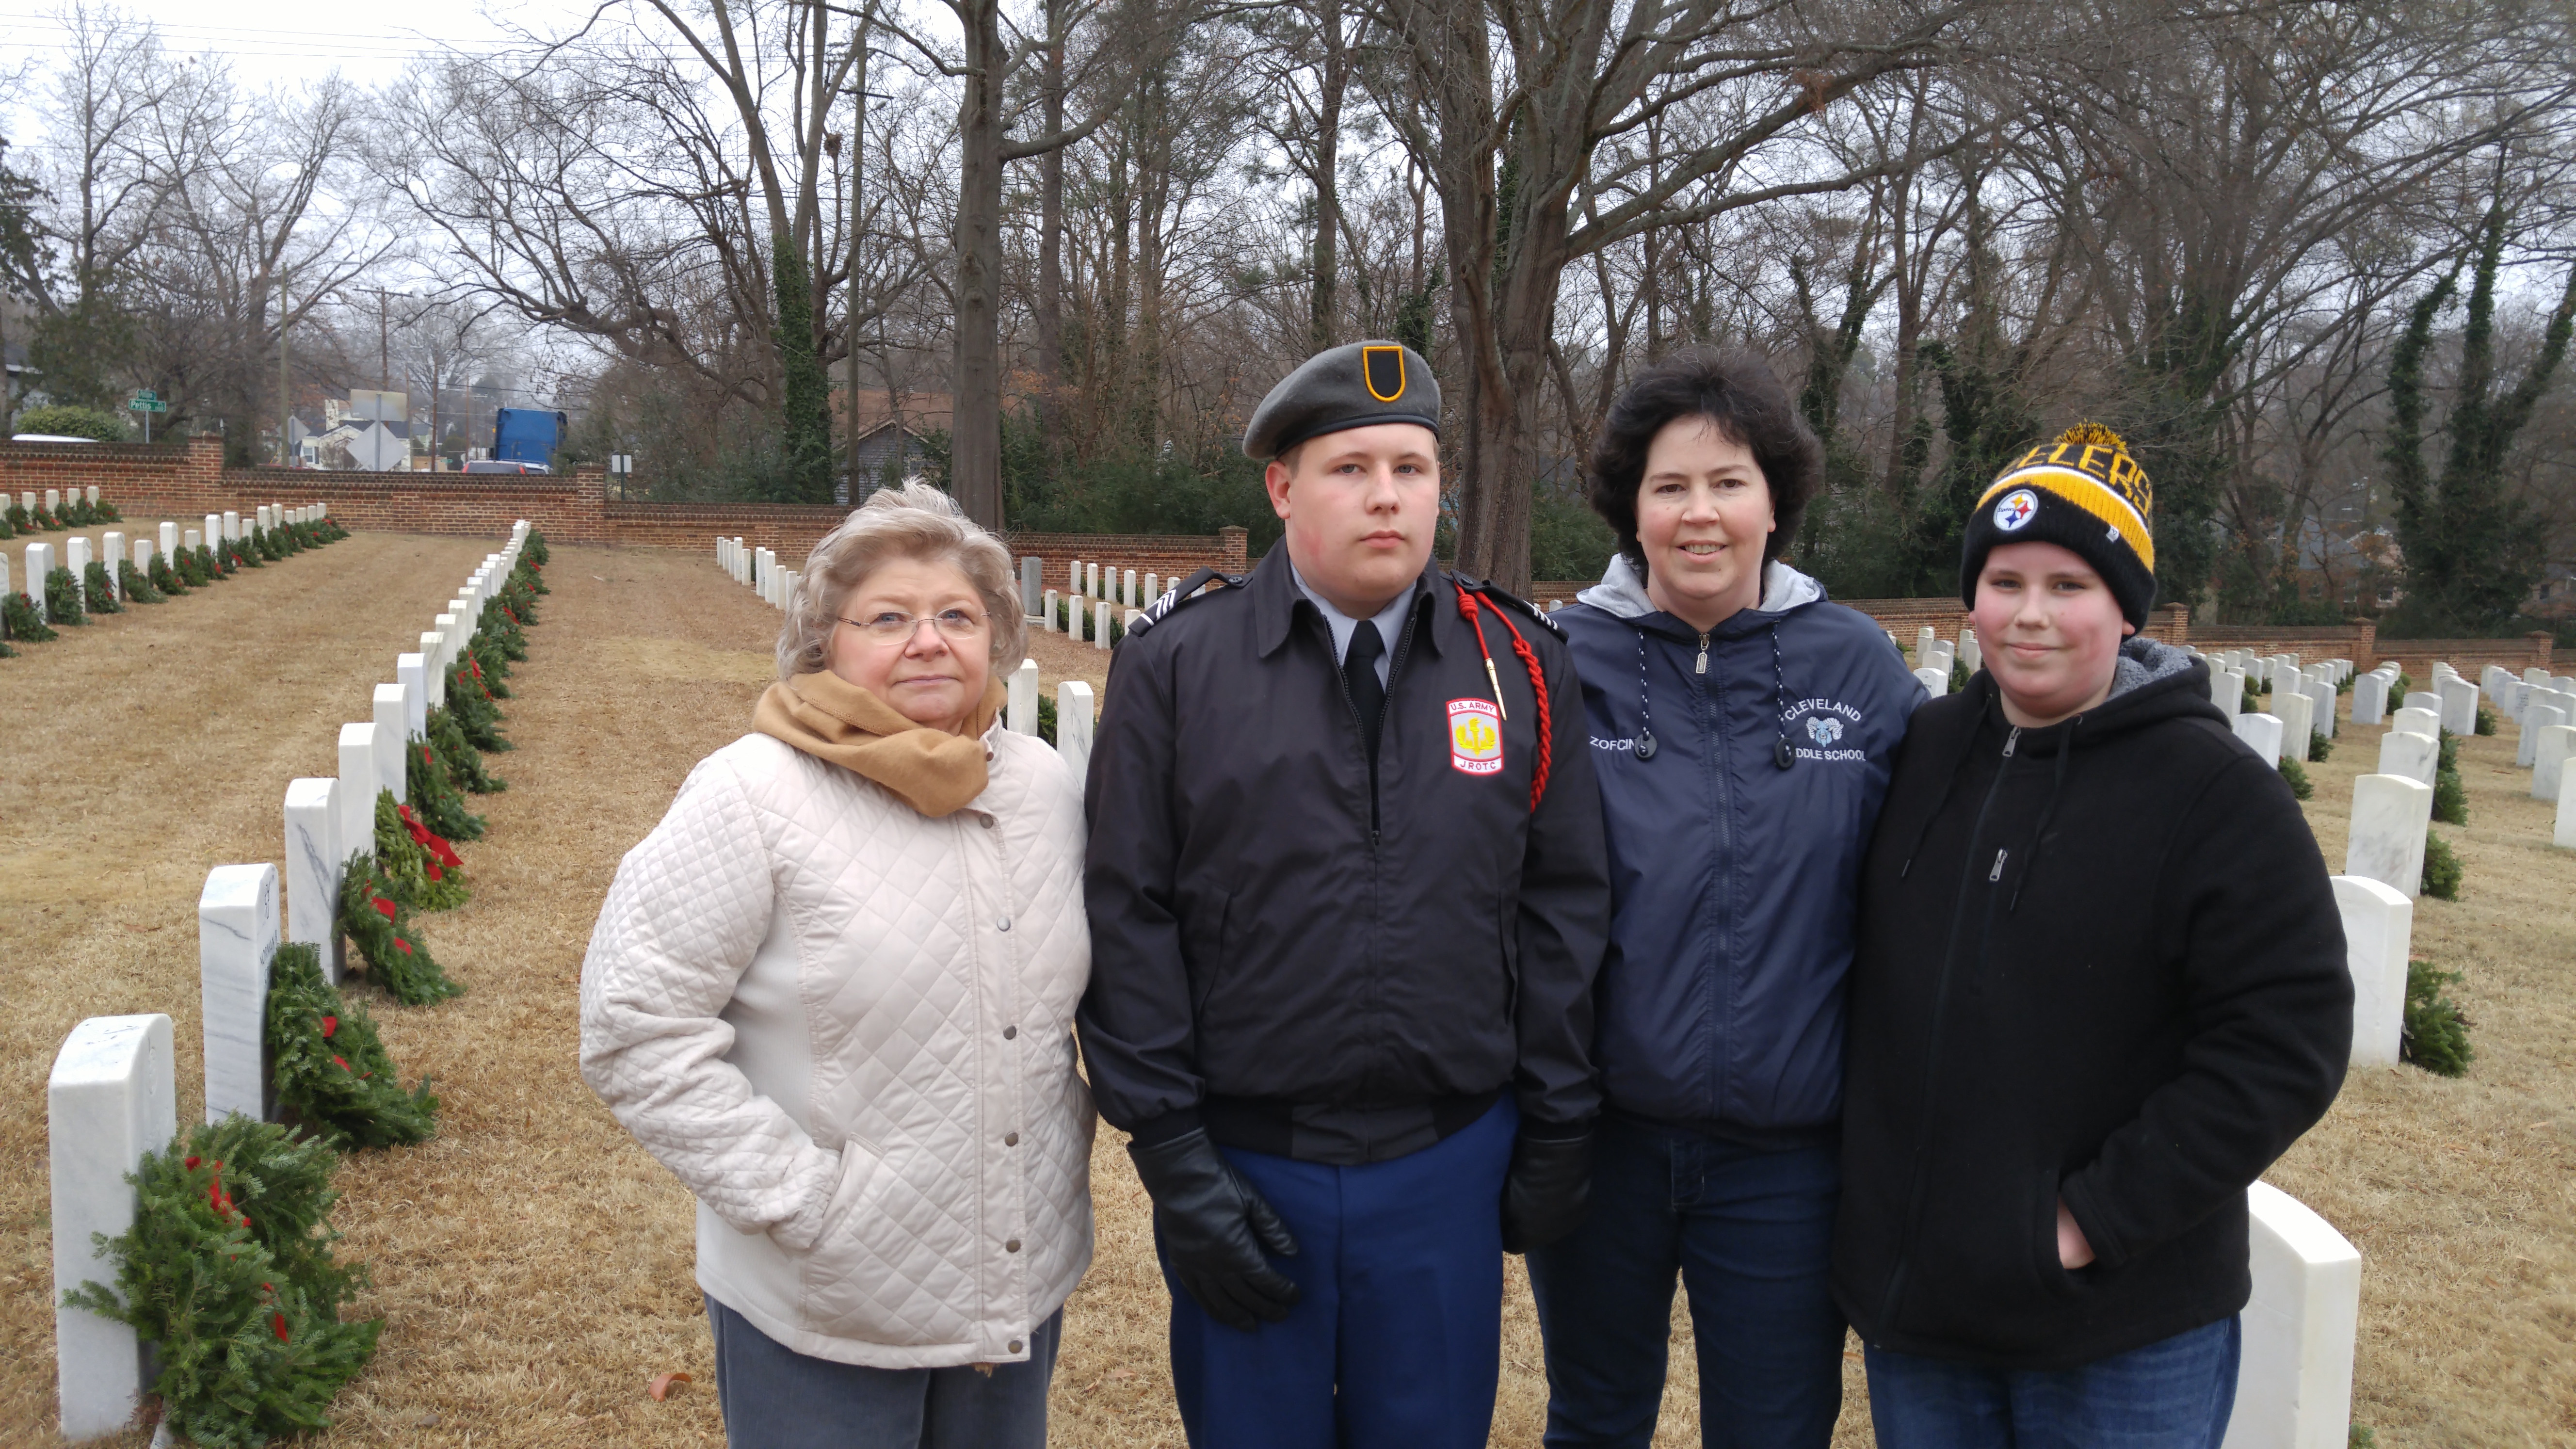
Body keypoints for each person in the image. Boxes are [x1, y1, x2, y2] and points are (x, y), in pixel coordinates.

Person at [1078, 340, 1611, 1449]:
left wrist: (1559, 1119)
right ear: (1282, 489)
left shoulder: (1515, 659)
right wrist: (1172, 1150)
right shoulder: (1179, 663)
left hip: (1445, 1158)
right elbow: (1128, 909)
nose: (1386, 497)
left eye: (1411, 470)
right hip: (1246, 1160)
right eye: (1350, 468)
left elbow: (1561, 903)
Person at [1833, 424, 2353, 1448]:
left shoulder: (2214, 793)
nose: (2029, 616)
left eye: (2068, 585)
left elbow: (2286, 1042)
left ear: (2124, 608)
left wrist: (2087, 1225)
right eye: (2005, 580)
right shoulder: (1924, 752)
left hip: (2119, 1326)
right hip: (1925, 1313)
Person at [580, 483, 1095, 1449]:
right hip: (830, 1293)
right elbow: (634, 1030)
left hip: (1013, 1274)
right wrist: (806, 1203)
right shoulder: (750, 794)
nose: (929, 641)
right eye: (889, 619)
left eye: (956, 616)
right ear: (826, 644)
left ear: (996, 638)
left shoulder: (1040, 785)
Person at [1528, 349, 1924, 1448]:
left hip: (1789, 1160)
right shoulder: (1562, 659)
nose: (1700, 514)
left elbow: (1932, 874)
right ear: (1631, 509)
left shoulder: (1856, 668)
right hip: (1603, 1143)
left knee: (1774, 1428)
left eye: (1728, 483)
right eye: (1670, 487)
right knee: (1596, 1417)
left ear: (1775, 502)